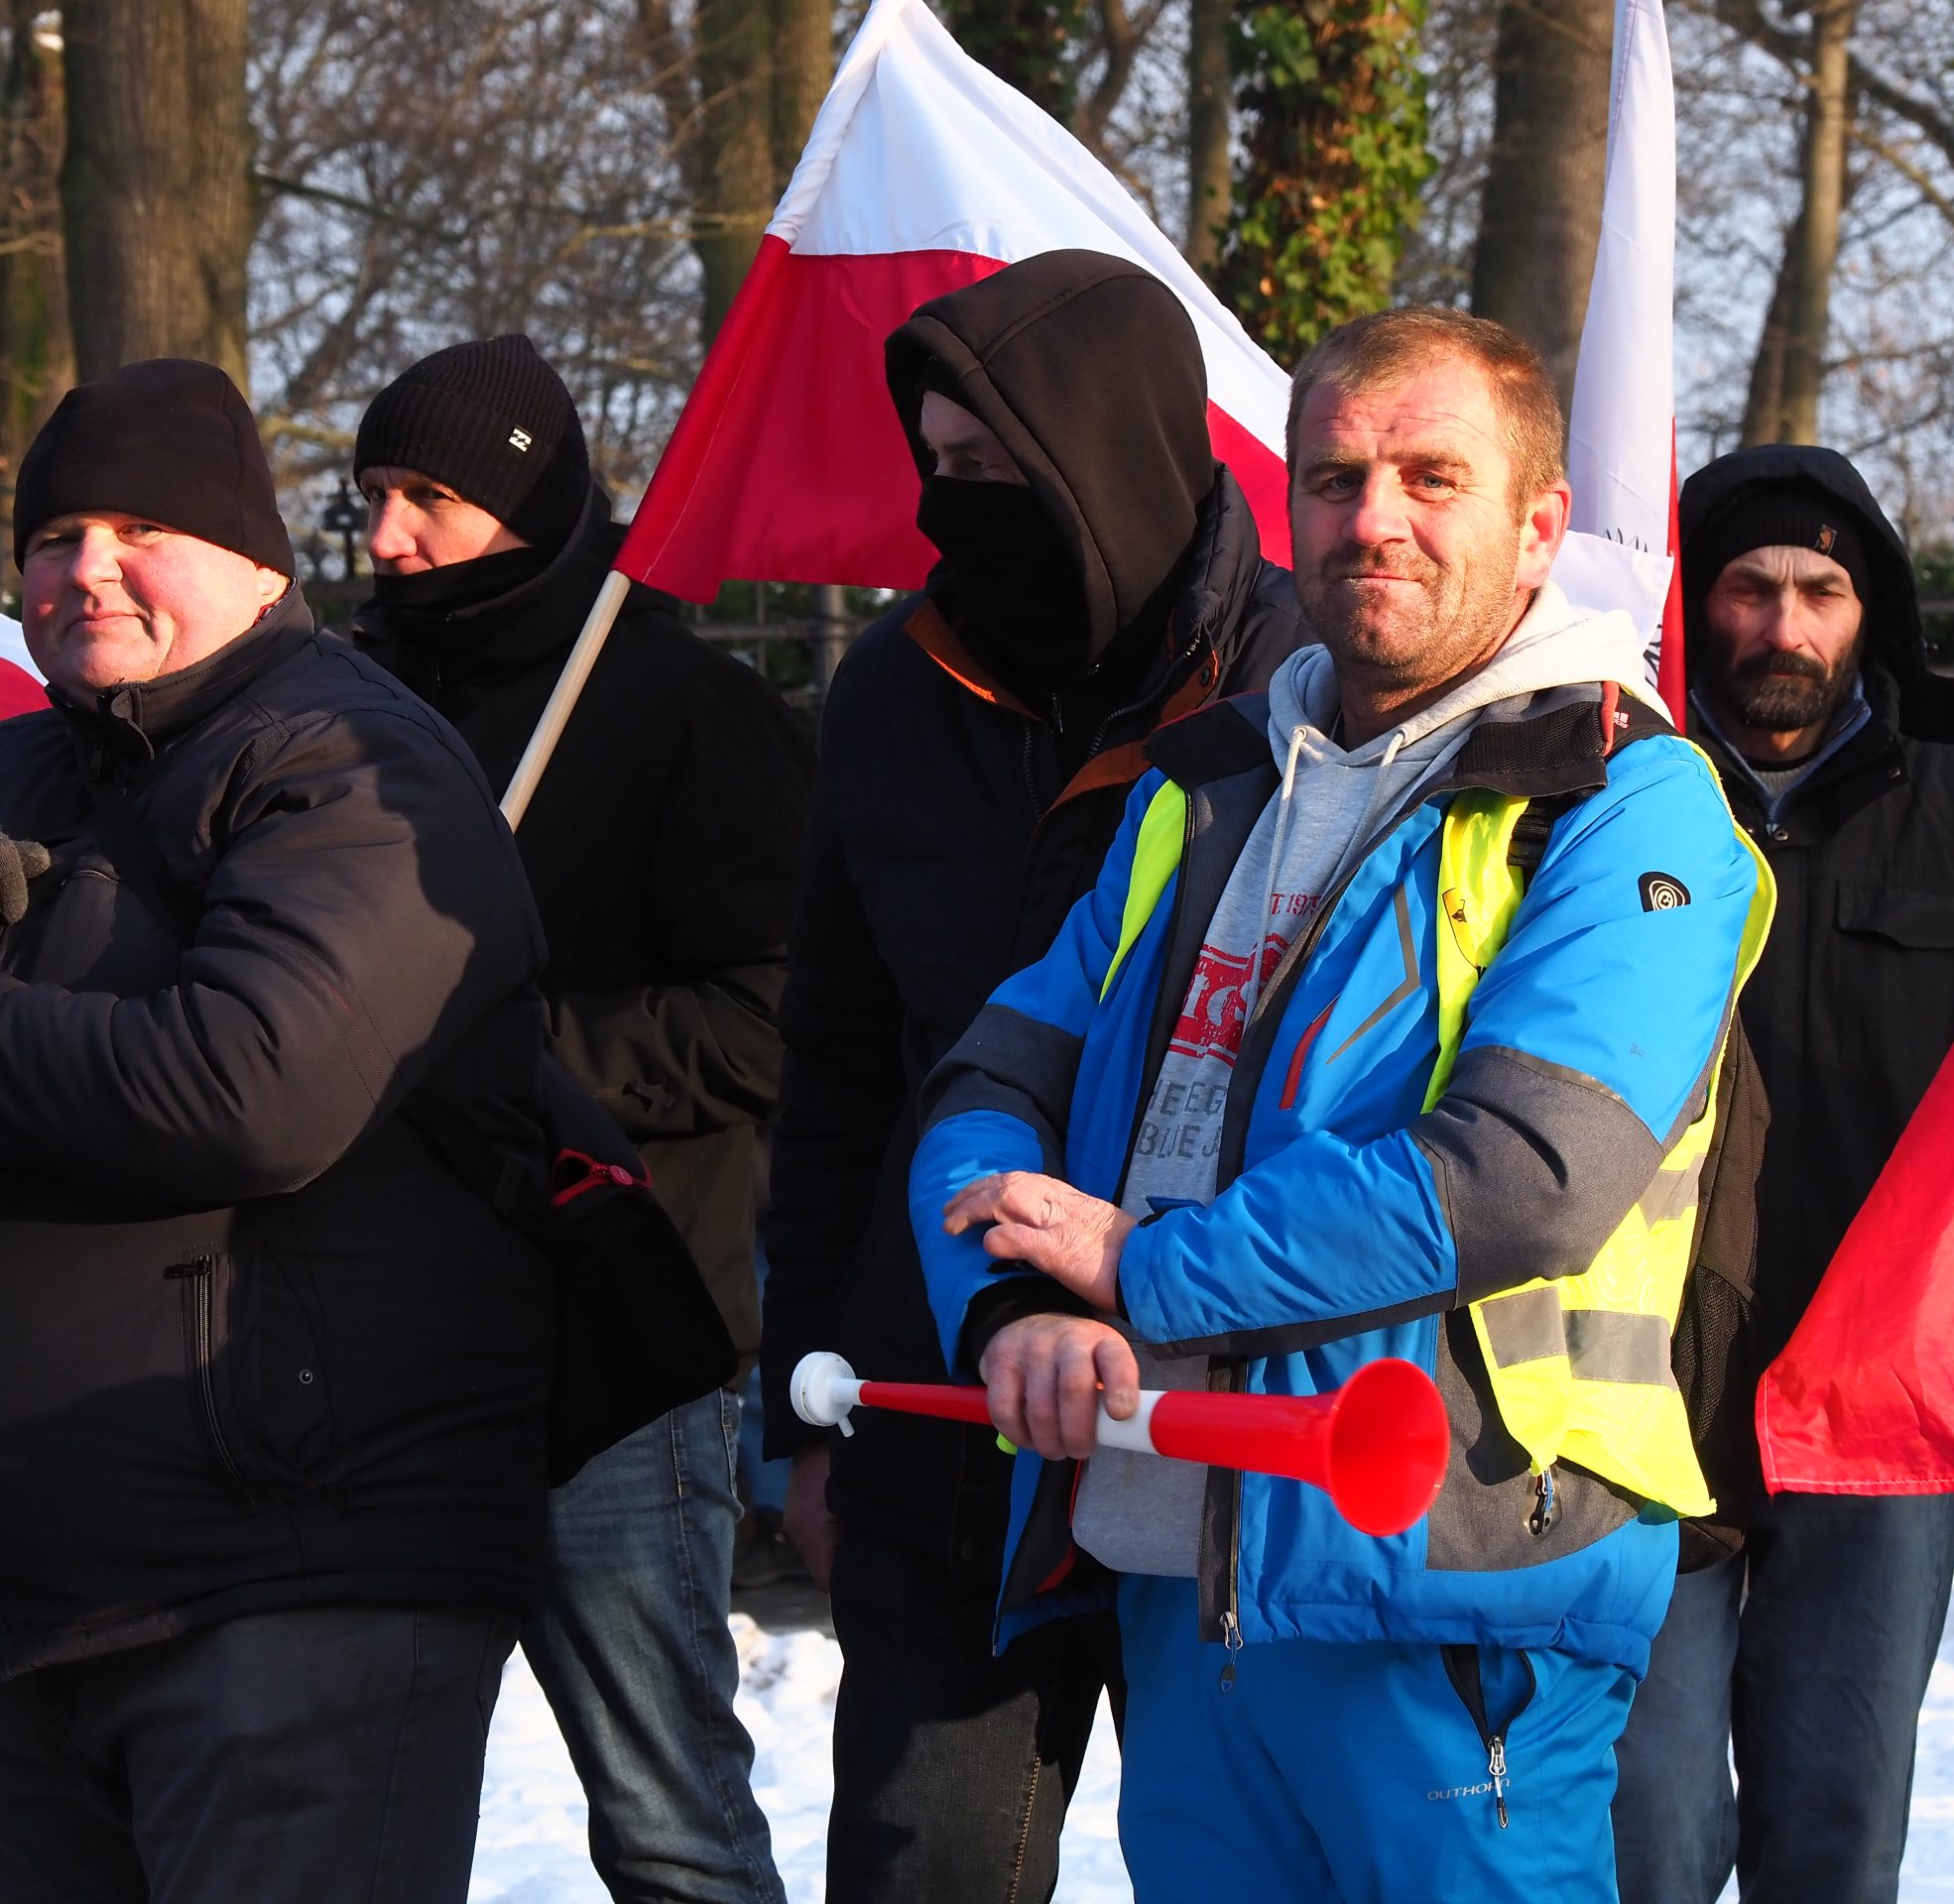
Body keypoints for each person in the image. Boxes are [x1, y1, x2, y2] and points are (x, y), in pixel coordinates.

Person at [906, 304, 1770, 1902]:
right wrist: (1011, 1305)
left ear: (1539, 527)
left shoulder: (1628, 800)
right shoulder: (1208, 779)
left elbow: (1528, 1171)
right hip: (1183, 1570)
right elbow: (990, 1080)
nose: (1373, 519)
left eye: (1431, 477)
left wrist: (1140, 1270)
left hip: (1459, 1589)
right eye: (1334, 477)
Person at [758, 249, 1306, 1902]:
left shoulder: (1306, 686)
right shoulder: (891, 688)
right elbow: (838, 1067)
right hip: (940, 1398)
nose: (952, 507)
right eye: (936, 465)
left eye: (994, 468)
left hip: (1221, 1399)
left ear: (1109, 452)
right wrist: (810, 1400)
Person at [0, 358, 554, 1900]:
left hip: (294, 1576)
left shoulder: (349, 755)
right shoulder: (29, 768)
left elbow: (250, 1085)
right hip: (50, 1596)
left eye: (142, 529)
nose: (87, 567)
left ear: (256, 563)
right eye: (52, 536)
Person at [349, 334, 807, 1904]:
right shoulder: (345, 703)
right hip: (377, 1343)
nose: (389, 537)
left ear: (530, 507)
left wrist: (508, 1050)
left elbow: (772, 1021)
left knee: (664, 1813)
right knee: (357, 1807)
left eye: (430, 499)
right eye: (371, 496)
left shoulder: (687, 709)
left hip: (617, 1336)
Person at [1611, 444, 1954, 1904]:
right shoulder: (1612, 806)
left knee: (1842, 1834)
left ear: (1871, 613)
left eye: (1821, 591)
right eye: (1749, 588)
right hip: (1641, 1395)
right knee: (1649, 1836)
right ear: (1698, 603)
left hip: (1880, 1400)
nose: (1784, 626)